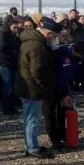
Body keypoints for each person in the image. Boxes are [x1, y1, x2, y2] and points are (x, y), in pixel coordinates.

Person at [16, 17, 65, 158]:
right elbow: (37, 71)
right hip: (32, 89)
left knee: (28, 118)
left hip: (26, 86)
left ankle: (30, 144)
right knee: (32, 119)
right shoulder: (37, 46)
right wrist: (45, 88)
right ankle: (32, 147)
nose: (54, 39)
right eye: (54, 36)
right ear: (48, 33)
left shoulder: (31, 41)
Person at [0, 15, 21, 115]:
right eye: (14, 28)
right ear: (9, 27)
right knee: (7, 87)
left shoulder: (13, 36)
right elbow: (2, 49)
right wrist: (13, 52)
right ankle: (6, 108)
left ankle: (10, 106)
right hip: (5, 64)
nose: (16, 29)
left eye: (16, 27)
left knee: (12, 86)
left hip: (12, 63)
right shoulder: (4, 35)